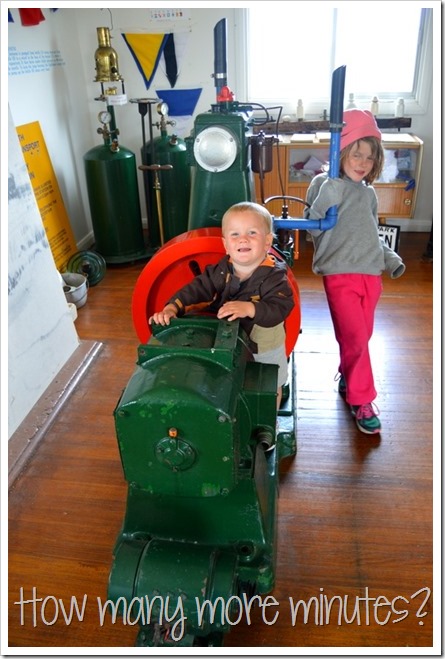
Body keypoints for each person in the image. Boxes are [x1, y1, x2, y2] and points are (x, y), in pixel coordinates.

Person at [304, 109, 406, 435]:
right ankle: (362, 400)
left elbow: (370, 233)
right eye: (356, 154)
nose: (362, 162)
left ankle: (349, 376)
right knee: (356, 338)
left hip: (371, 275)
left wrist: (389, 257)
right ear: (341, 151)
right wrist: (327, 196)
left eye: (370, 157)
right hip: (340, 273)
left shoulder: (369, 193)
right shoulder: (324, 183)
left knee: (358, 337)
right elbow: (313, 227)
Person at [149, 201, 295, 408]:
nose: (243, 238)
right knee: (235, 375)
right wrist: (173, 306)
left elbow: (281, 308)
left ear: (267, 241)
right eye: (235, 234)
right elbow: (198, 288)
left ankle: (269, 418)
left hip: (263, 342)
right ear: (226, 244)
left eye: (252, 232)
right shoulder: (221, 269)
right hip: (229, 337)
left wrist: (250, 308)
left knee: (269, 381)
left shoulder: (275, 276)